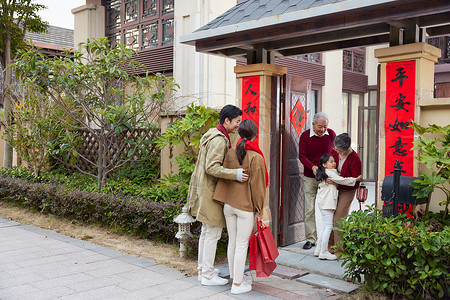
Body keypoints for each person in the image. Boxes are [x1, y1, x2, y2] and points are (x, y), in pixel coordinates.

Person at [186, 104, 249, 286]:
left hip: (204, 190)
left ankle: (202, 271)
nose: (238, 125)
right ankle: (207, 275)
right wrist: (236, 174)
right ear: (227, 121)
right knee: (212, 233)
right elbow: (211, 167)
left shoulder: (212, 134)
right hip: (211, 191)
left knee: (207, 233)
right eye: (237, 121)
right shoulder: (219, 140)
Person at [214, 119, 267, 295]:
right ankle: (237, 284)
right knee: (242, 244)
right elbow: (258, 188)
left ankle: (235, 279)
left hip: (229, 205)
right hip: (245, 207)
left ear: (239, 133)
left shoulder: (231, 152)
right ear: (255, 135)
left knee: (233, 242)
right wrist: (260, 210)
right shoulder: (256, 157)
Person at [313, 154, 363, 260]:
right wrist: (356, 179)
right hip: (327, 203)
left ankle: (319, 250)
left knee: (324, 226)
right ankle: (324, 252)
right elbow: (343, 180)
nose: (334, 163)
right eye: (331, 162)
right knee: (328, 226)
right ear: (324, 164)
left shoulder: (325, 173)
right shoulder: (330, 173)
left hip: (323, 203)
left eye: (334, 161)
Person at [298, 112, 336, 250]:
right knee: (309, 209)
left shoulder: (331, 134)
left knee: (328, 208)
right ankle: (311, 238)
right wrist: (312, 167)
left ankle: (329, 239)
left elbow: (335, 153)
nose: (322, 130)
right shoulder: (305, 136)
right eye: (320, 126)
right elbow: (302, 156)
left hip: (326, 178)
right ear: (313, 124)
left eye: (325, 127)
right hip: (310, 177)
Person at [328, 133, 362, 253]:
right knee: (331, 216)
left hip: (347, 190)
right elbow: (326, 166)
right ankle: (330, 246)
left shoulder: (355, 159)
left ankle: (340, 250)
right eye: (335, 148)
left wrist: (339, 180)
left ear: (346, 149)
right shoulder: (334, 152)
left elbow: (356, 181)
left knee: (339, 217)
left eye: (338, 150)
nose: (335, 150)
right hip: (333, 188)